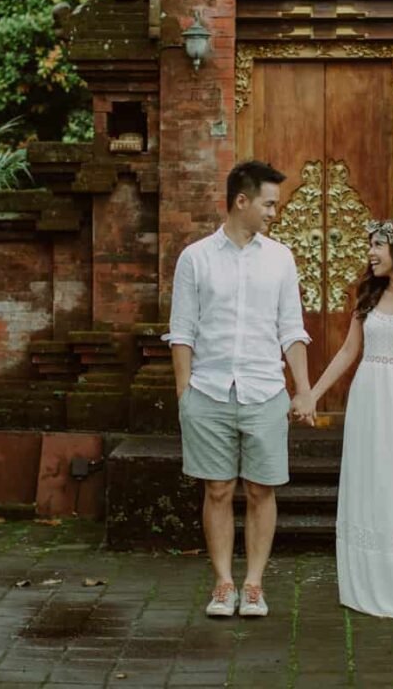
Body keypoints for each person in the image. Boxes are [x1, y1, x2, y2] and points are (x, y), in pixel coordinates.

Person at [165, 160, 317, 619]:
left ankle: (253, 584)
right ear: (241, 201)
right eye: (269, 203)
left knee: (260, 490)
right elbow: (182, 332)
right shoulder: (195, 258)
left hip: (265, 390)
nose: (275, 212)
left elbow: (292, 330)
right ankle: (222, 583)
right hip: (208, 391)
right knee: (216, 489)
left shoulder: (281, 258)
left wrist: (304, 389)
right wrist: (184, 396)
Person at [309, 218, 393, 618]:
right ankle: (369, 580)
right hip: (369, 401)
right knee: (372, 486)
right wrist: (313, 394)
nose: (370, 253)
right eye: (369, 245)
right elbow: (347, 353)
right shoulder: (367, 299)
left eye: (377, 246)